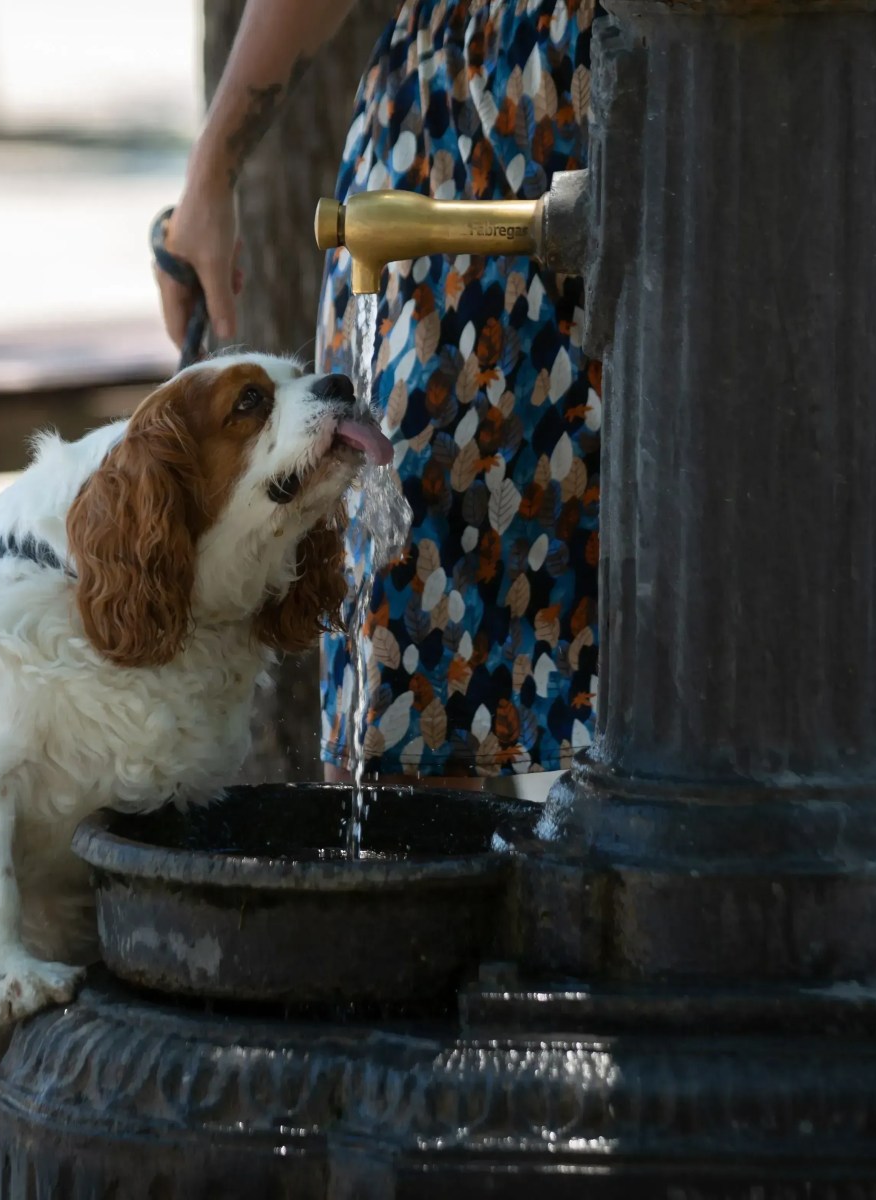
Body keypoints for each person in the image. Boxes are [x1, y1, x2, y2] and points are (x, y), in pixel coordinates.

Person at [159, 0, 599, 790]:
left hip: (672, 101)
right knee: (410, 618)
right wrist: (211, 173)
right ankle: (414, 902)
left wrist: (214, 172)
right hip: (463, 137)